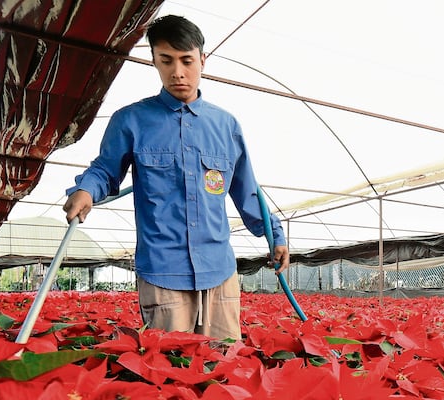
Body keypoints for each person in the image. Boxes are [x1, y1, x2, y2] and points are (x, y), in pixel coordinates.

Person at [62, 14, 289, 340]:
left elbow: (247, 190)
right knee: (171, 371)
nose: (177, 72)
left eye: (187, 60)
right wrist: (85, 191)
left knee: (226, 367)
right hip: (163, 272)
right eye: (166, 61)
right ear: (153, 60)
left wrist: (275, 235)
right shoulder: (131, 121)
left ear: (202, 60)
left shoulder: (226, 126)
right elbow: (105, 171)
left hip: (219, 270)